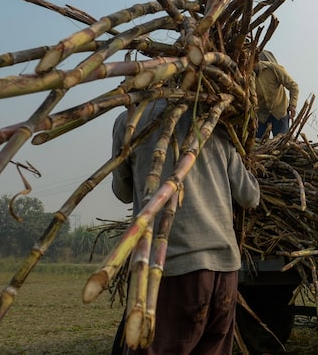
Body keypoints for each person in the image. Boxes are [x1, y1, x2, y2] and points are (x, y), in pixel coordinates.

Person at [110, 99, 261, 355]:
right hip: (223, 273)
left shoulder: (131, 120)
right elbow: (250, 196)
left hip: (170, 268)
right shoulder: (214, 117)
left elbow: (123, 191)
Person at [254, 51, 299, 139]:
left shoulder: (272, 68)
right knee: (256, 142)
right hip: (261, 115)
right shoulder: (245, 76)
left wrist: (292, 105)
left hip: (279, 112)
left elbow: (293, 86)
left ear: (255, 60)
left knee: (282, 141)